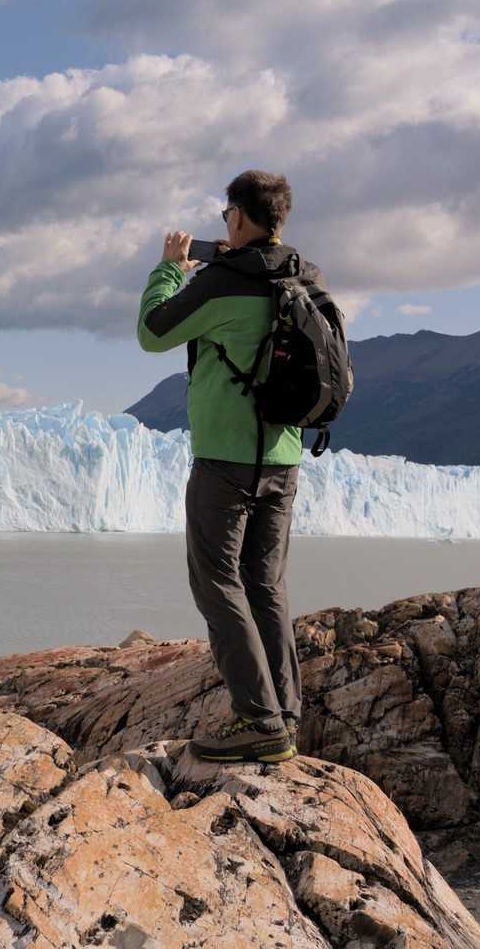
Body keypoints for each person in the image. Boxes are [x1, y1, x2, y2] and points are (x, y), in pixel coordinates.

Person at [137, 169, 314, 763]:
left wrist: (169, 268)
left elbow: (153, 332)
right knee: (265, 583)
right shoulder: (306, 278)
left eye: (225, 217)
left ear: (237, 217)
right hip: (284, 458)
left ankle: (258, 720)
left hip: (225, 460)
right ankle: (283, 715)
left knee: (215, 581)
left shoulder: (221, 282)